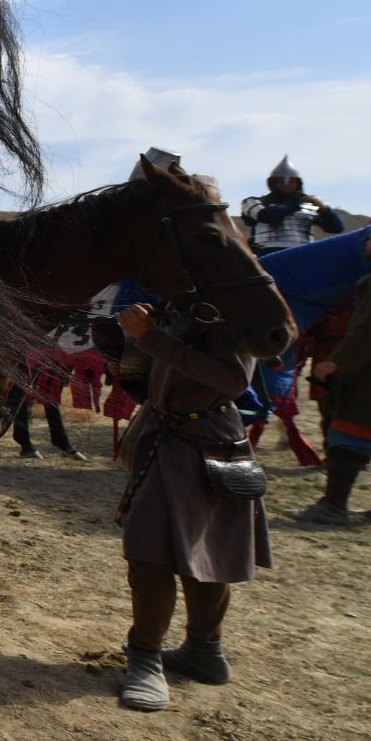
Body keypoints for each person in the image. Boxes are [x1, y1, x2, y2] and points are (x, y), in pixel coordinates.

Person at [113, 301, 267, 711]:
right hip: (165, 437)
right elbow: (152, 375)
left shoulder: (235, 304)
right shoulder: (178, 301)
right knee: (148, 549)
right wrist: (129, 341)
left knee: (206, 553)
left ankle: (168, 654)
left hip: (210, 443)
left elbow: (232, 380)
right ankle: (189, 652)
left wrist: (153, 338)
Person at [294, 220, 371, 524]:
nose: (368, 241)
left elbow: (369, 330)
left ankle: (333, 505)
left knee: (349, 435)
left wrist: (336, 362)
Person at [240, 156, 343, 256]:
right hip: (268, 256)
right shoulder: (253, 202)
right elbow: (266, 216)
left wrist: (324, 210)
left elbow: (336, 228)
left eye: (291, 181)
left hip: (304, 256)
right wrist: (296, 202)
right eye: (281, 181)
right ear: (273, 183)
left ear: (298, 183)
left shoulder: (308, 206)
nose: (286, 184)